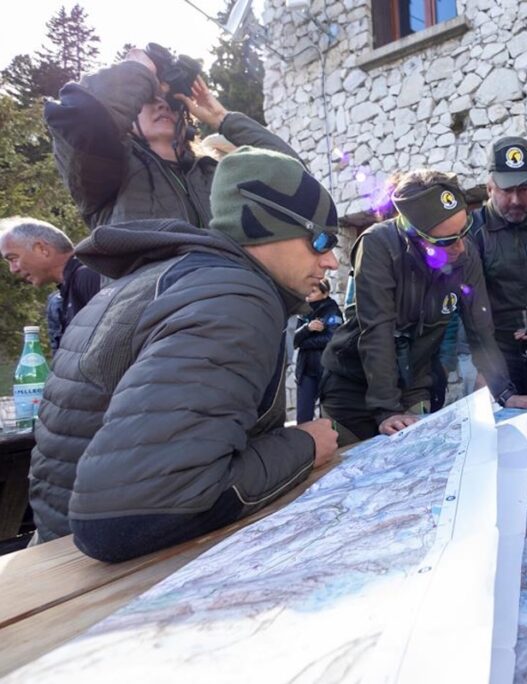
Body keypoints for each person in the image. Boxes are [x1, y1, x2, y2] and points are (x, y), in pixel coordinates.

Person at [29, 147, 340, 562]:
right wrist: (303, 446)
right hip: (88, 582)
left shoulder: (175, 276)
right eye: (320, 239)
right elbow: (129, 516)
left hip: (54, 547)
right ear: (264, 225)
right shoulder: (233, 299)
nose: (332, 260)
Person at [320, 169, 527, 444]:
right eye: (445, 242)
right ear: (413, 235)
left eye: (463, 231)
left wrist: (504, 392)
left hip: (415, 383)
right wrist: (386, 410)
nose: (460, 247)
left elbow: (480, 330)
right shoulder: (378, 245)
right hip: (354, 386)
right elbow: (377, 332)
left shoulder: (464, 253)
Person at [44, 44, 300, 231]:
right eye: (148, 100)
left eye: (171, 102)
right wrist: (139, 69)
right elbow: (81, 117)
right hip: (154, 302)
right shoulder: (109, 177)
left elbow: (293, 178)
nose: (163, 106)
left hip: (231, 299)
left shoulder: (216, 175)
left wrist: (222, 118)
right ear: (128, 114)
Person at [470, 136, 527, 395]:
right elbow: (464, 307)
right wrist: (482, 368)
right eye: (506, 190)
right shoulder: (471, 232)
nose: (515, 200)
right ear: (490, 188)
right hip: (493, 361)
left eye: (523, 190)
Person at [0, 217, 101, 351]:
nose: (13, 270)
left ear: (42, 249)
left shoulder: (89, 277)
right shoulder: (60, 297)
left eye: (13, 258)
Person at [293, 279, 342, 423]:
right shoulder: (302, 312)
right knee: (303, 417)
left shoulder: (332, 310)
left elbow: (332, 339)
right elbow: (293, 340)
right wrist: (307, 328)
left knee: (327, 417)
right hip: (305, 370)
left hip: (326, 369)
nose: (309, 294)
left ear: (325, 293)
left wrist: (304, 342)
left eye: (314, 291)